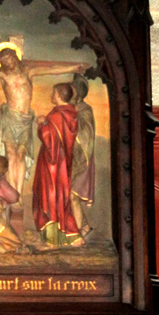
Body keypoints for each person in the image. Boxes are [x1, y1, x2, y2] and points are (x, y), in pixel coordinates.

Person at [0, 42, 87, 205]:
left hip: (25, 119)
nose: (8, 63)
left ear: (16, 57)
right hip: (10, 118)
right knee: (11, 155)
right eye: (4, 62)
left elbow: (52, 69)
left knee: (21, 155)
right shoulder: (4, 76)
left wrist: (74, 68)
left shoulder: (29, 72)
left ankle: (18, 193)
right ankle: (11, 190)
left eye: (10, 59)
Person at [32, 83, 85, 247]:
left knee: (50, 196)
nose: (51, 95)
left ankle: (52, 240)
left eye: (53, 93)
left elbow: (50, 141)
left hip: (51, 164)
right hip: (63, 163)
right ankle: (71, 237)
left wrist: (41, 124)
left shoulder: (56, 116)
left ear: (59, 95)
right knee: (62, 197)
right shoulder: (71, 114)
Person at [70, 74, 95, 238]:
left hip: (83, 158)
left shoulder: (85, 110)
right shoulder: (73, 108)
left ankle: (79, 232)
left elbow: (86, 133)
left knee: (73, 196)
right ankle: (83, 227)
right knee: (70, 196)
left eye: (72, 90)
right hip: (73, 158)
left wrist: (74, 119)